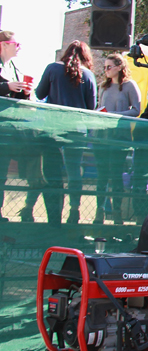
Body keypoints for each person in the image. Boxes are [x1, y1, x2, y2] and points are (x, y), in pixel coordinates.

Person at [34, 40, 97, 224]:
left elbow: (39, 94)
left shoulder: (52, 69)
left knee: (52, 173)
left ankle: (53, 217)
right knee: (74, 171)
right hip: (77, 130)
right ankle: (74, 211)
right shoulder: (89, 75)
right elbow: (91, 106)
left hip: (52, 127)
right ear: (86, 56)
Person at [94, 54, 142, 223]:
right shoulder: (103, 86)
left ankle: (117, 214)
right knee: (101, 176)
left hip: (120, 138)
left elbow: (136, 110)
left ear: (119, 67)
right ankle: (99, 212)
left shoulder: (129, 85)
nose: (106, 70)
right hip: (102, 137)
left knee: (116, 176)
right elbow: (97, 107)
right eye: (105, 67)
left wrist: (113, 115)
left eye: (109, 67)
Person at [0, 31, 38, 221]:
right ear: (4, 44)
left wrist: (24, 92)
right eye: (16, 44)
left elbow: (14, 94)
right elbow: (5, 88)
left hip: (7, 130)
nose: (19, 47)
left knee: (2, 174)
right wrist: (7, 87)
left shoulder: (14, 67)